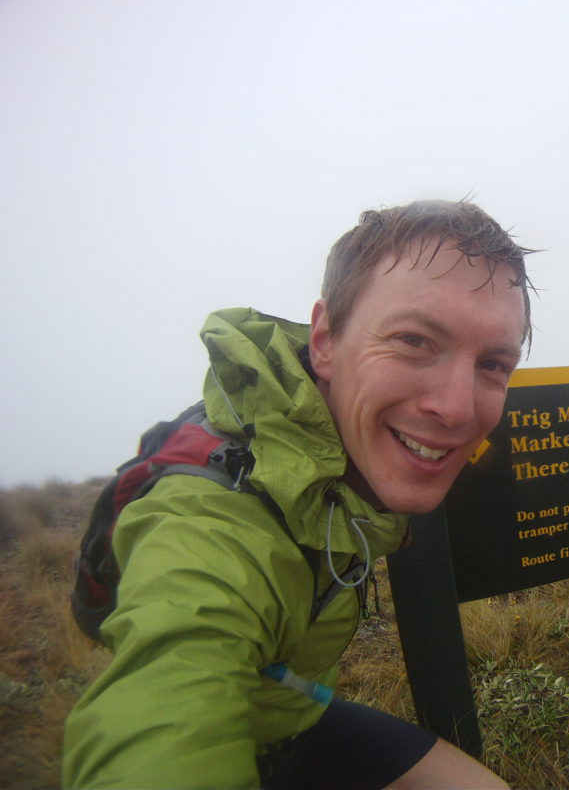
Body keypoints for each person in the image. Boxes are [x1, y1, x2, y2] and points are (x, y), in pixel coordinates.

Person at [63, 199, 533, 789]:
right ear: (325, 340)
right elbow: (167, 710)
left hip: (290, 713)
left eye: (493, 363)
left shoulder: (350, 452)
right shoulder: (208, 526)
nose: (458, 408)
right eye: (414, 340)